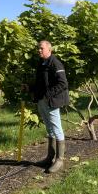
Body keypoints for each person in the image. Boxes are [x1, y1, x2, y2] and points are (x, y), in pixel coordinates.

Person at [25, 40, 70, 173]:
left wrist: (47, 95)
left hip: (51, 101)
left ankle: (59, 160)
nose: (39, 50)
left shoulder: (55, 63)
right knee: (49, 128)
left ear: (49, 49)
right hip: (42, 100)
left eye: (41, 48)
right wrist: (30, 88)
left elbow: (63, 83)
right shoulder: (41, 63)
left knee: (57, 128)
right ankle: (50, 157)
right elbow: (41, 83)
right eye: (38, 48)